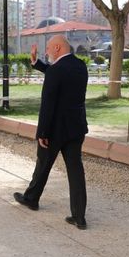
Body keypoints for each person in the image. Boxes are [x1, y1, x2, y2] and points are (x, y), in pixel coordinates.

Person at [13, 35, 89, 230]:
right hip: (76, 128)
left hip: (54, 130)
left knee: (43, 164)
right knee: (76, 171)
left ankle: (31, 199)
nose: (46, 52)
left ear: (57, 48)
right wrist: (36, 63)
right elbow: (58, 75)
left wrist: (42, 133)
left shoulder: (56, 70)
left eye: (48, 48)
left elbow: (47, 105)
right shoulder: (80, 66)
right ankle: (79, 217)